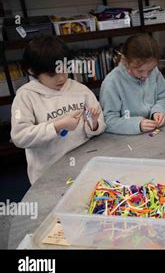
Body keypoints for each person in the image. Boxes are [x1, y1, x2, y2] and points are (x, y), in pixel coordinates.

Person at [10, 35, 105, 184]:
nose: (61, 78)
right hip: (48, 175)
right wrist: (57, 126)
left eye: (64, 70)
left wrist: (93, 124)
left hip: (84, 166)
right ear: (32, 71)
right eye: (52, 74)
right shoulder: (26, 96)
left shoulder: (81, 90)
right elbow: (20, 137)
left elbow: (97, 127)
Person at [100, 33, 165, 135]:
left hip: (154, 134)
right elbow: (108, 121)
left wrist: (159, 111)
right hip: (126, 141)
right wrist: (137, 125)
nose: (146, 75)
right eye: (140, 71)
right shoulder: (111, 83)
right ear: (126, 62)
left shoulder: (154, 72)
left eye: (150, 70)